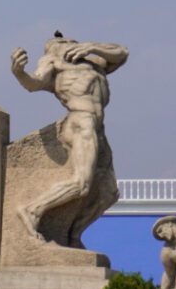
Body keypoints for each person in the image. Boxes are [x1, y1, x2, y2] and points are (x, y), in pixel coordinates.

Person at [10, 33, 129, 241]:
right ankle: (32, 210)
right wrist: (19, 72)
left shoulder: (95, 61)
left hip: (98, 129)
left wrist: (91, 47)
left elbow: (122, 53)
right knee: (81, 183)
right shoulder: (53, 62)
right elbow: (33, 83)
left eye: (65, 40)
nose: (62, 42)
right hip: (80, 123)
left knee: (109, 193)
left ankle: (73, 235)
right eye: (56, 42)